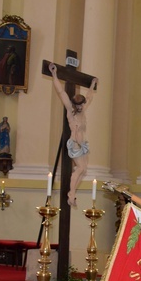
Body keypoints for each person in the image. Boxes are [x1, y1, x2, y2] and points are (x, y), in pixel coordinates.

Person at [49, 62, 98, 207]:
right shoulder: (71, 111)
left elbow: (89, 96)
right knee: (81, 168)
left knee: (83, 170)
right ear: (74, 105)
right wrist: (54, 75)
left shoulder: (82, 110)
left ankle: (73, 192)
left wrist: (92, 84)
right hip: (75, 143)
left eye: (82, 105)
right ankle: (71, 193)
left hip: (82, 144)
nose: (81, 107)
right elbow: (61, 93)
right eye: (79, 105)